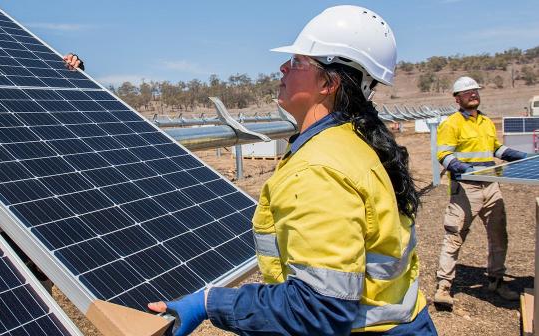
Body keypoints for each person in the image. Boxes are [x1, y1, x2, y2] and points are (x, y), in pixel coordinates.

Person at [147, 5, 437, 335]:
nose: (282, 67)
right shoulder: (351, 142)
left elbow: (318, 309)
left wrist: (209, 303)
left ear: (328, 83)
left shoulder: (320, 169)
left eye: (298, 61)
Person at [432, 76, 531, 308]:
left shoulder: (486, 121)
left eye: (475, 91)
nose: (473, 94)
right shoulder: (452, 123)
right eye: (467, 93)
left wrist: (522, 157)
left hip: (491, 185)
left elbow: (496, 148)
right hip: (466, 188)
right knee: (454, 236)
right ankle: (444, 287)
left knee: (499, 235)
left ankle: (496, 281)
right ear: (457, 99)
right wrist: (461, 168)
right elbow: (443, 155)